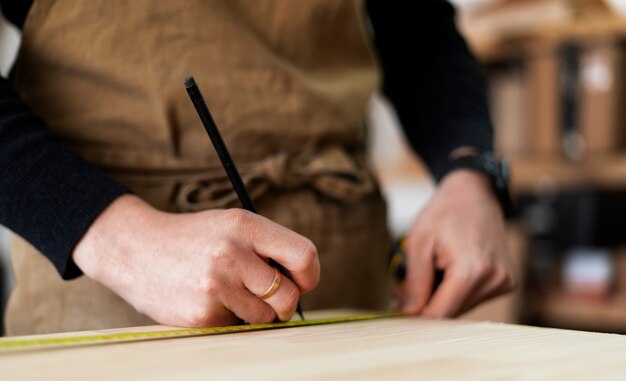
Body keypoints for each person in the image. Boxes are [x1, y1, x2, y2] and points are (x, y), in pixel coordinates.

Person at [0, 0, 514, 335]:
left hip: (342, 268)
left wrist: (469, 172)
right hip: (114, 293)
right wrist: (124, 242)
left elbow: (417, 29)